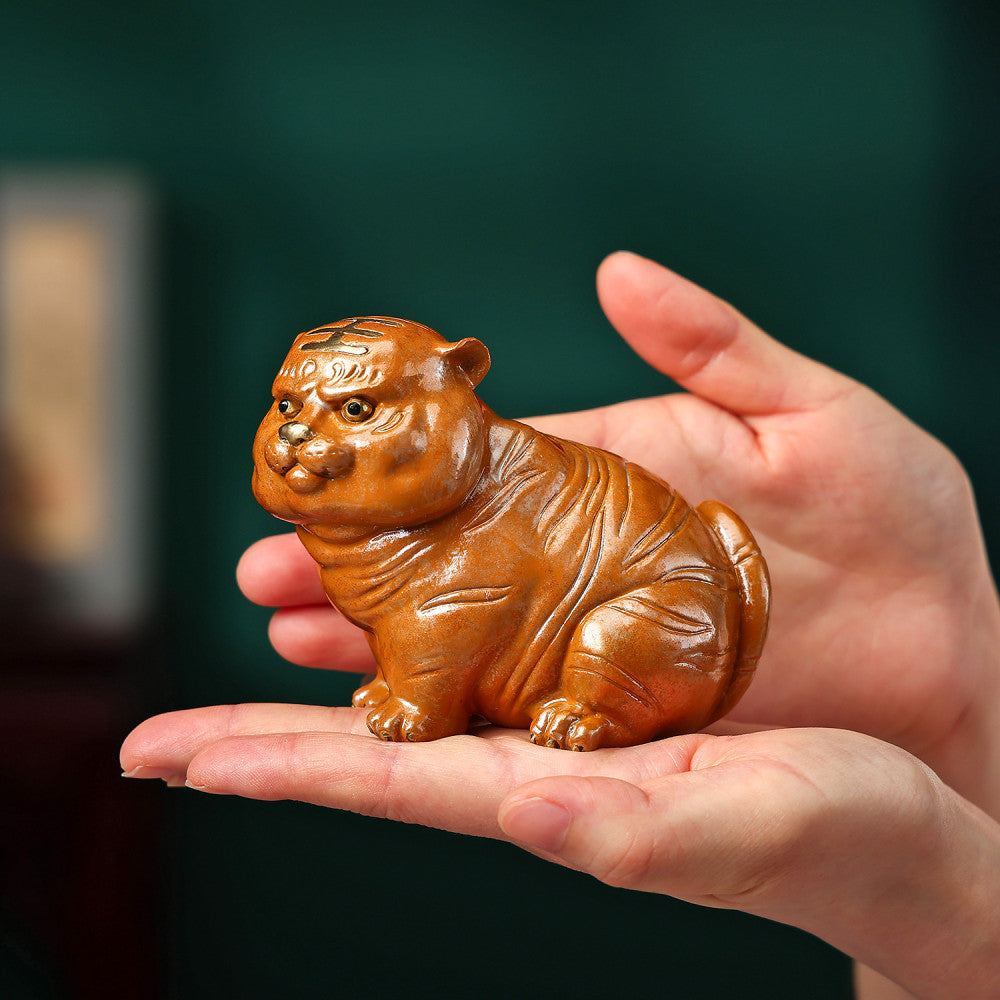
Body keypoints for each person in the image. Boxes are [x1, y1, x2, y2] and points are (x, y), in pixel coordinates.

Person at [121, 252, 1000, 999]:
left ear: (458, 385)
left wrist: (421, 698)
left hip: (641, 620)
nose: (297, 437)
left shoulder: (494, 498)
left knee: (584, 627)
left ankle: (600, 703)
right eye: (288, 408)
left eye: (356, 409)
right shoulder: (433, 503)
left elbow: (457, 607)